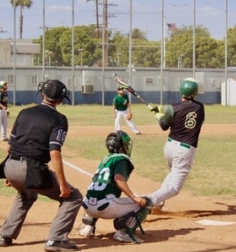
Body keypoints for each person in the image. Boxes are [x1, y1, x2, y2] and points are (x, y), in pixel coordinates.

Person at [0, 79, 83, 252]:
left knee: (27, 194)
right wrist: (63, 184)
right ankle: (56, 239)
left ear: (42, 94)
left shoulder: (24, 112)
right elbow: (54, 152)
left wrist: (8, 173)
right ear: (61, 100)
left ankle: (5, 235)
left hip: (10, 165)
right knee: (73, 197)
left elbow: (10, 145)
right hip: (30, 168)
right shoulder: (59, 119)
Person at [78, 130, 151, 243]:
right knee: (146, 202)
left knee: (96, 195)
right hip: (106, 206)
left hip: (87, 206)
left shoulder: (106, 159)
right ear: (122, 146)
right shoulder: (122, 159)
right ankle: (123, 233)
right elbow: (118, 179)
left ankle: (86, 227)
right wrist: (134, 198)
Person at [146, 77, 205, 210]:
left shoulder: (173, 108)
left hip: (170, 147)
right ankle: (149, 201)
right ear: (195, 92)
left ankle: (158, 202)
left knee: (173, 173)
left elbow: (164, 126)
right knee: (174, 188)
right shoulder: (200, 108)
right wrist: (161, 113)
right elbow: (186, 116)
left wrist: (159, 115)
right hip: (184, 150)